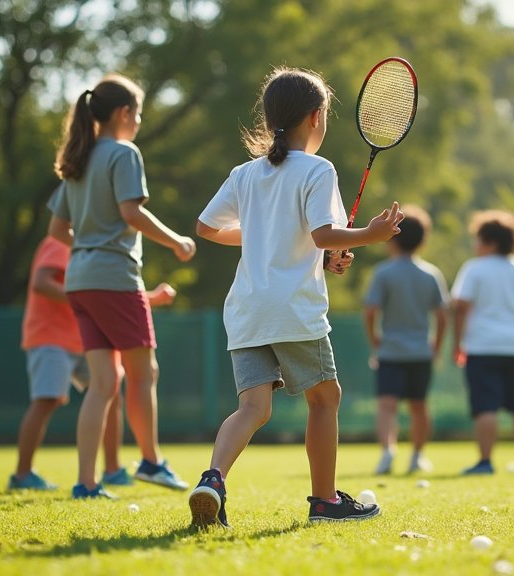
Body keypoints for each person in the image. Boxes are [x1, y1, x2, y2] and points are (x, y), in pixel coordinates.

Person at [189, 66, 402, 528]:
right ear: (316, 116)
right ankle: (325, 501)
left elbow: (206, 228)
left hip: (245, 310)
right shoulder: (317, 168)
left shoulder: (245, 173)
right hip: (292, 310)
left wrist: (278, 238)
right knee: (326, 399)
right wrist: (373, 232)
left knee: (252, 408)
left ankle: (213, 479)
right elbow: (325, 234)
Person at [47, 73, 197, 499]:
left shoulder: (79, 158)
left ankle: (86, 483)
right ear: (123, 113)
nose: (139, 122)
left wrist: (90, 245)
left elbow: (57, 230)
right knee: (144, 371)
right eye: (139, 113)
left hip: (79, 281)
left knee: (104, 383)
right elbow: (131, 213)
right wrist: (178, 242)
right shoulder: (123, 153)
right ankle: (151, 461)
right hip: (114, 278)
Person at [8, 235, 177, 491]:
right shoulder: (60, 241)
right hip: (49, 335)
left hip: (85, 337)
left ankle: (112, 470)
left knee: (112, 392)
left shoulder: (94, 244)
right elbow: (41, 283)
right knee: (47, 400)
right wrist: (82, 300)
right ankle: (22, 475)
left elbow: (112, 297)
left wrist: (151, 297)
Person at [451, 210, 514, 475]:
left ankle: (485, 462)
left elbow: (460, 308)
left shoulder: (474, 269)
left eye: (478, 239)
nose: (475, 245)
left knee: (485, 406)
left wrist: (456, 343)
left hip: (483, 347)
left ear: (490, 241)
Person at [362, 205, 448, 476]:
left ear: (393, 237)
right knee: (419, 406)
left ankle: (388, 451)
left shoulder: (383, 272)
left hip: (390, 352)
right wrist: (436, 346)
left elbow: (370, 311)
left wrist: (375, 340)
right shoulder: (431, 274)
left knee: (387, 406)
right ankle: (417, 456)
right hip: (421, 352)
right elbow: (443, 315)